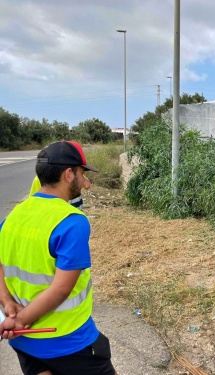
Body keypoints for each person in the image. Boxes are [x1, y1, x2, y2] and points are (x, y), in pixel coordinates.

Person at [0, 140, 118, 375]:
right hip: (67, 339)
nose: (85, 182)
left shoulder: (14, 215)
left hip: (24, 341)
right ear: (68, 174)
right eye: (81, 173)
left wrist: (8, 304)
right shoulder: (72, 222)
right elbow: (62, 289)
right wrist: (21, 320)